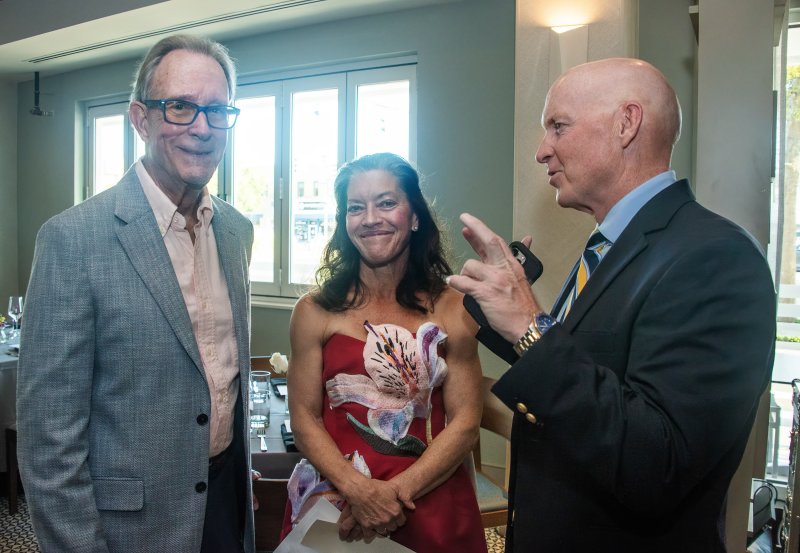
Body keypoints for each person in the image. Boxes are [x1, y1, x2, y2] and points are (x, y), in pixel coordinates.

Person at [447, 58, 777, 552]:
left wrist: (529, 325)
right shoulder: (611, 245)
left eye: (558, 126)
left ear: (627, 123)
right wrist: (501, 304)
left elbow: (657, 464)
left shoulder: (715, 256)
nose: (542, 151)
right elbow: (586, 373)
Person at [17, 34, 257, 553]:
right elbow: (48, 441)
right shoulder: (72, 238)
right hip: (129, 528)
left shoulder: (237, 232)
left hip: (225, 506)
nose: (202, 127)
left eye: (217, 110)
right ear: (139, 118)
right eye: (179, 107)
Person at [282, 152, 487, 552]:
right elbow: (303, 417)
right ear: (345, 222)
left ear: (414, 217)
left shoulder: (452, 308)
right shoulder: (314, 311)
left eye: (387, 203)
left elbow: (465, 420)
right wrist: (359, 491)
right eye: (356, 207)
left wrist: (391, 496)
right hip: (336, 502)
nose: (371, 217)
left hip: (430, 498)